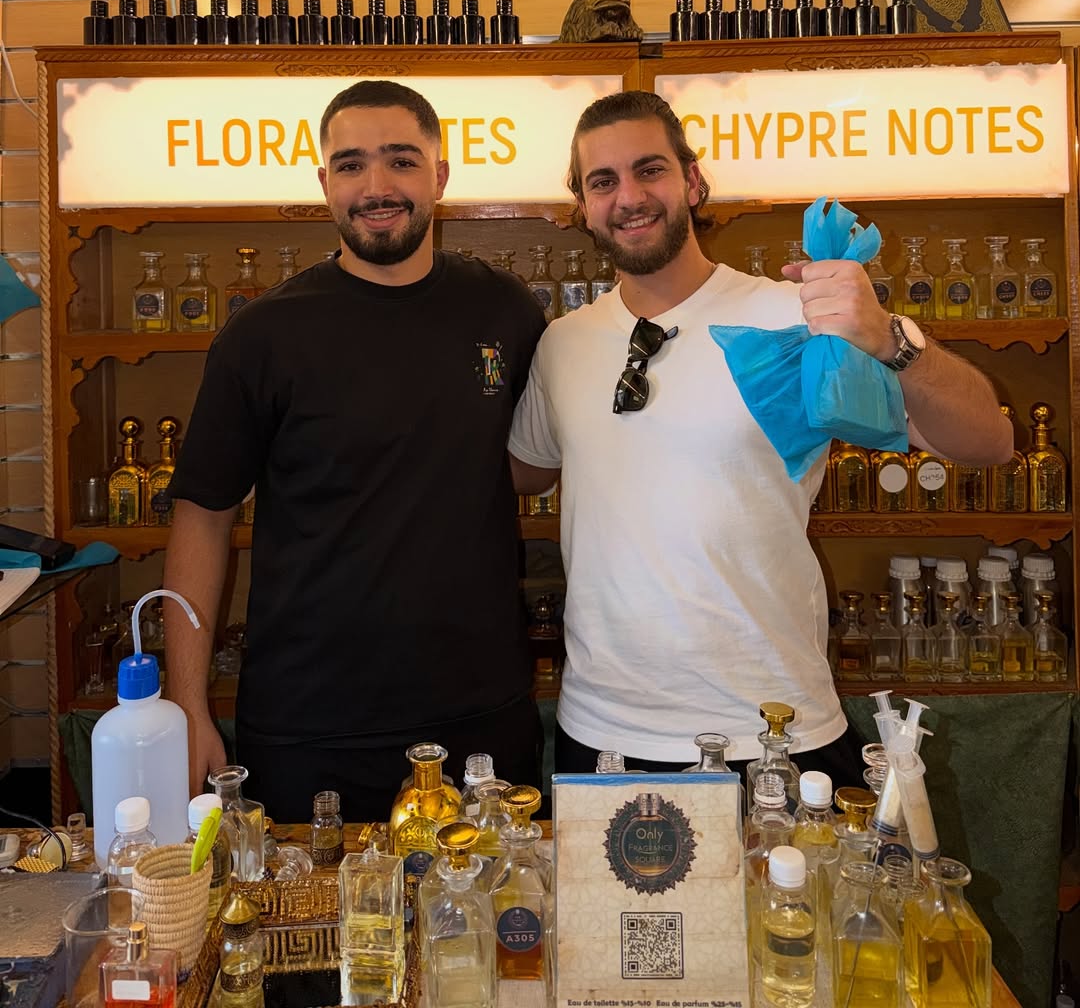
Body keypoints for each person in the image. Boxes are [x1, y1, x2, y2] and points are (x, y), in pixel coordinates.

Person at [509, 90, 1013, 779]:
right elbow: (527, 469)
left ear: (692, 180)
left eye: (650, 170)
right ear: (583, 206)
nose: (629, 196)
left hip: (774, 729)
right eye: (603, 181)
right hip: (603, 732)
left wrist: (888, 338)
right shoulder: (562, 343)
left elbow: (988, 441)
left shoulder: (798, 317)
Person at [164, 80, 547, 821]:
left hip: (482, 714)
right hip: (309, 723)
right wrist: (188, 706)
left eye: (401, 161)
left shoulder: (505, 309)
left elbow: (530, 463)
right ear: (324, 184)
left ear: (440, 175)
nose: (376, 186)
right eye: (351, 165)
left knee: (498, 897)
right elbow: (202, 518)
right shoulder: (262, 336)